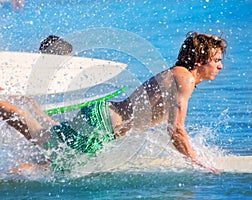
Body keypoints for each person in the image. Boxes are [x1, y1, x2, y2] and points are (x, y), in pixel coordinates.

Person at [47, 32, 226, 173]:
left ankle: (24, 107)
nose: (220, 66)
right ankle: (19, 108)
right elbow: (176, 130)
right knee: (49, 165)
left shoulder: (181, 76)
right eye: (216, 60)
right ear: (198, 60)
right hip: (102, 124)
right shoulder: (184, 79)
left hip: (102, 119)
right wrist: (198, 163)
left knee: (48, 147)